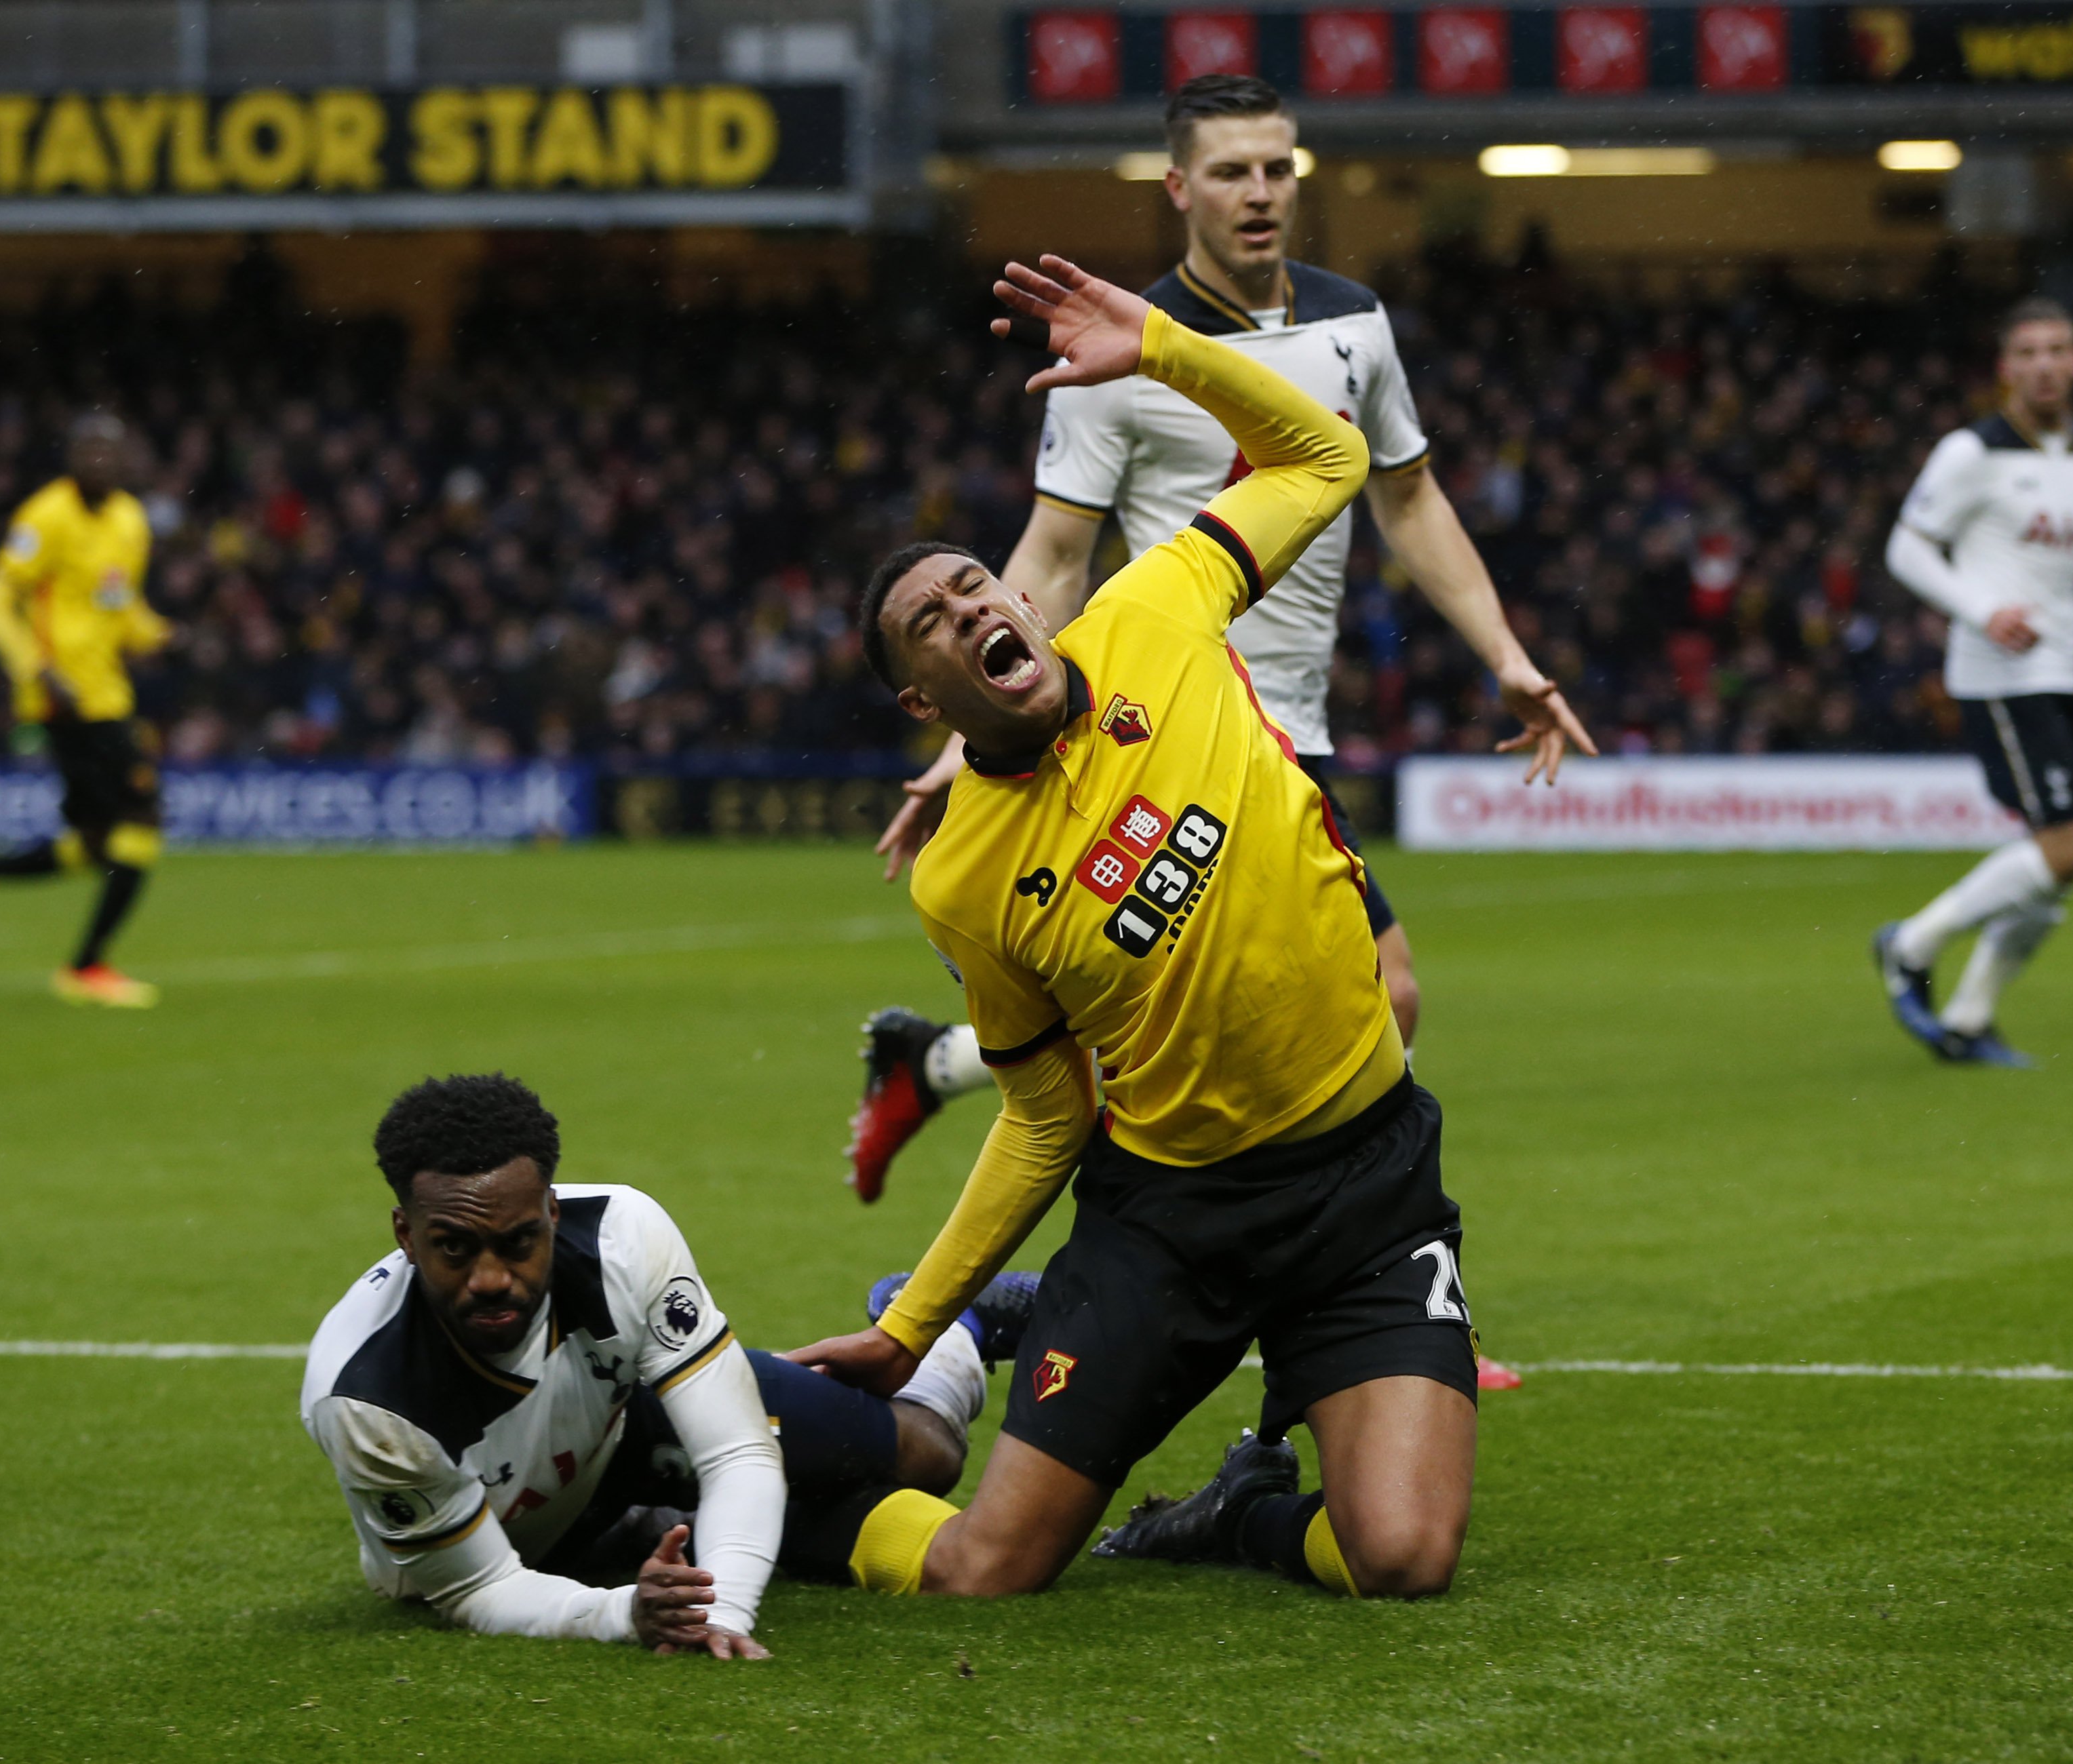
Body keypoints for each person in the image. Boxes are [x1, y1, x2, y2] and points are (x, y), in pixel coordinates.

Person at [790, 254, 1478, 1604]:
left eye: (975, 583)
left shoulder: (1157, 607)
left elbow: (1327, 456)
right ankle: (756, 1519)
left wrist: (1164, 344)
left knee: (1399, 1556)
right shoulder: (962, 879)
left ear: (1023, 600)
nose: (973, 606)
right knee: (988, 1568)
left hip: (1366, 1182)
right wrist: (907, 1324)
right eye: (932, 620)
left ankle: (1236, 1514)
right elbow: (1047, 1115)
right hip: (1175, 1219)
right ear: (925, 700)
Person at [845, 75, 1589, 1200]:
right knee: (1371, 990)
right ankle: (1373, 1274)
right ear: (1177, 187)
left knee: (1236, 1012)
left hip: (1292, 722)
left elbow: (1406, 499)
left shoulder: (1353, 325)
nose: (1259, 194)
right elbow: (1050, 555)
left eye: (1276, 169)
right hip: (1183, 722)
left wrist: (1505, 656)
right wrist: (965, 739)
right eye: (1231, 172)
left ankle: (937, 1067)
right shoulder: (1118, 346)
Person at [303, 1073, 1022, 1655]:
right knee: (938, 1553)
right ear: (405, 1233)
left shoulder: (622, 1235)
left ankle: (960, 1323)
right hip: (563, 1545)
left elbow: (737, 1449)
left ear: (552, 1214)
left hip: (630, 1421)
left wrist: (725, 1614)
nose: (492, 1277)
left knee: (926, 1454)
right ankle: (669, 1525)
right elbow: (479, 1586)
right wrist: (626, 1613)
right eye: (456, 1248)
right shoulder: (369, 1402)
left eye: (519, 1242)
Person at [1876, 297, 2073, 1065]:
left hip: (2062, 671)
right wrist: (1981, 609)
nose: (2044, 365)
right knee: (2066, 851)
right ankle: (1911, 944)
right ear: (2005, 369)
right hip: (1999, 678)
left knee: (2055, 866)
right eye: (2028, 353)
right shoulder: (1971, 452)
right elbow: (1907, 550)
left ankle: (1969, 1021)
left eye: (2057, 350)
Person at [0, 413, 175, 1007]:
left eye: (112, 451)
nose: (101, 461)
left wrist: (159, 633)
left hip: (108, 693)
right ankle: (86, 966)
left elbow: (117, 603)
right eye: (90, 450)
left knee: (94, 845)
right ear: (72, 457)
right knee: (143, 817)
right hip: (67, 702)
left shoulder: (131, 519)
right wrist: (38, 668)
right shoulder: (46, 516)